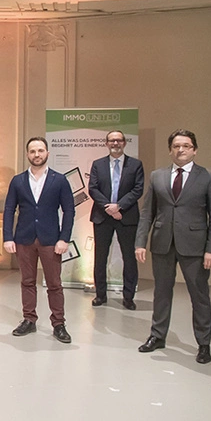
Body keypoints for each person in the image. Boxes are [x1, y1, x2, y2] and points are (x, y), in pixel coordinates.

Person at [135, 129, 211, 364]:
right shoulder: (157, 176)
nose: (180, 150)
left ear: (194, 150)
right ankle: (157, 335)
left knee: (199, 295)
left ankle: (203, 344)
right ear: (170, 150)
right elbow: (147, 213)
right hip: (163, 243)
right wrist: (140, 242)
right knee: (161, 293)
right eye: (176, 146)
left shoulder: (208, 177)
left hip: (195, 246)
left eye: (186, 146)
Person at [3, 136, 76, 343]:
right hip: (24, 238)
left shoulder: (59, 180)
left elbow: (69, 211)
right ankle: (29, 319)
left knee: (54, 283)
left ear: (47, 153)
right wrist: (8, 237)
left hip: (51, 239)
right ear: (27, 154)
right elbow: (9, 209)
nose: (37, 154)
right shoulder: (18, 180)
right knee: (27, 281)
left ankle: (59, 323)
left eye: (40, 150)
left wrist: (64, 238)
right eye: (33, 151)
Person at [87, 130, 144, 309]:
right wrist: (109, 208)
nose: (115, 143)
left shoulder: (136, 165)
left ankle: (128, 297)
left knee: (129, 258)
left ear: (124, 143)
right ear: (106, 143)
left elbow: (138, 189)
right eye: (112, 140)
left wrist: (119, 206)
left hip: (126, 217)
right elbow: (93, 188)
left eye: (119, 140)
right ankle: (100, 295)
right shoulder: (98, 164)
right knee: (100, 258)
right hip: (102, 217)